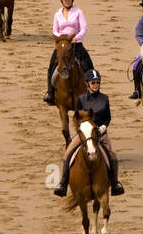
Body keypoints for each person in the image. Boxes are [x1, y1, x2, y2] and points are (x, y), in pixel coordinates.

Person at [53, 69, 124, 197]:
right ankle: (63, 184)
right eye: (93, 83)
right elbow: (76, 117)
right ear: (87, 84)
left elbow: (108, 117)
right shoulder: (81, 99)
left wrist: (103, 127)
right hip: (85, 134)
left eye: (97, 82)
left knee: (112, 153)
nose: (96, 85)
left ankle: (115, 184)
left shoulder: (105, 98)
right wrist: (82, 129)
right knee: (68, 152)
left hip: (100, 133)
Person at [45, 0, 93, 104]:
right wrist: (62, 38)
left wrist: (76, 37)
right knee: (52, 66)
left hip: (76, 43)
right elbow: (54, 30)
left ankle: (92, 89)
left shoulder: (78, 12)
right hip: (62, 44)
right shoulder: (57, 14)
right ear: (61, 0)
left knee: (88, 64)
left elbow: (84, 28)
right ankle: (50, 92)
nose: (67, 1)